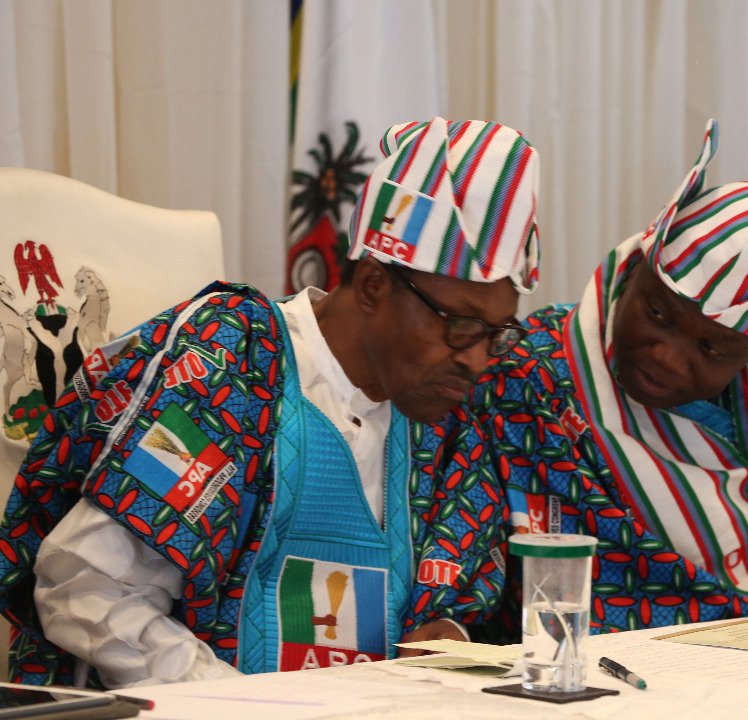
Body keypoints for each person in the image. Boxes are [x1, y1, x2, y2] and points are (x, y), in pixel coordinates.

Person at [0, 117, 541, 687]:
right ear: (375, 286)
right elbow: (84, 588)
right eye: (460, 325)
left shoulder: (443, 419)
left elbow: (461, 593)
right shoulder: (231, 367)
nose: (479, 360)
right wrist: (240, 706)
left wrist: (449, 633)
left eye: (497, 332)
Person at [461, 120, 748, 637]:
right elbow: (552, 586)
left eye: (711, 348)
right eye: (657, 315)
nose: (668, 359)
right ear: (633, 271)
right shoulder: (534, 380)